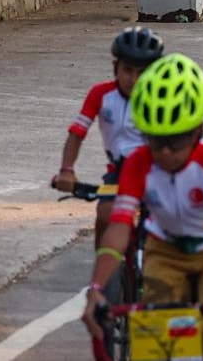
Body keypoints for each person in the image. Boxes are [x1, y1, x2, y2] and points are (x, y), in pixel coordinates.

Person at [81, 55, 203, 361]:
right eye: (155, 140)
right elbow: (120, 225)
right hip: (165, 252)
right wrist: (96, 287)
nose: (163, 152)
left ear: (197, 131)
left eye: (175, 142)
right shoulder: (138, 163)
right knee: (153, 346)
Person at [55, 27, 165, 246]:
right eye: (128, 70)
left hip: (157, 171)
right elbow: (77, 133)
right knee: (106, 215)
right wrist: (67, 170)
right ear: (116, 68)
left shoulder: (162, 97)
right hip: (119, 173)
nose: (134, 79)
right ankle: (104, 279)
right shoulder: (101, 94)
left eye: (142, 72)